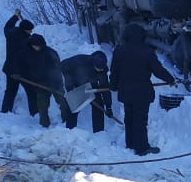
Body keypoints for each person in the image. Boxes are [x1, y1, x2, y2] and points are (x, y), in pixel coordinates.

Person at [110, 24, 176, 155]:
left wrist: (113, 85)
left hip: (126, 91)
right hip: (142, 92)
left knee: (129, 118)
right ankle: (141, 148)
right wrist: (170, 79)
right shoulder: (147, 51)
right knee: (140, 120)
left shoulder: (119, 51)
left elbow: (114, 71)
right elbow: (158, 70)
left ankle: (130, 143)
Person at [23, 34, 73, 128]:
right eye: (33, 45)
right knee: (42, 106)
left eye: (37, 45)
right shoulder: (30, 53)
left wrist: (53, 83)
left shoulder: (51, 53)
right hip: (40, 84)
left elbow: (57, 69)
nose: (35, 47)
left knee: (63, 103)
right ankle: (44, 125)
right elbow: (28, 68)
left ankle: (67, 122)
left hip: (55, 83)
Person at [61, 50, 111, 132]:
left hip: (91, 85)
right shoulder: (81, 60)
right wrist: (70, 86)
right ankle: (70, 131)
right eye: (98, 69)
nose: (101, 70)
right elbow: (63, 65)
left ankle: (98, 132)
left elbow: (105, 88)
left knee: (99, 105)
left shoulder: (103, 69)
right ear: (94, 64)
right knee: (74, 105)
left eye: (102, 69)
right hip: (76, 83)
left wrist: (109, 107)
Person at [1, 9, 35, 114]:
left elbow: (7, 26)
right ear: (25, 30)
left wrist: (16, 16)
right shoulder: (26, 41)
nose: (31, 32)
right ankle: (34, 112)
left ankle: (5, 110)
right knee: (31, 91)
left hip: (9, 68)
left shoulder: (11, 33)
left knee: (10, 91)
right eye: (30, 30)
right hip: (21, 71)